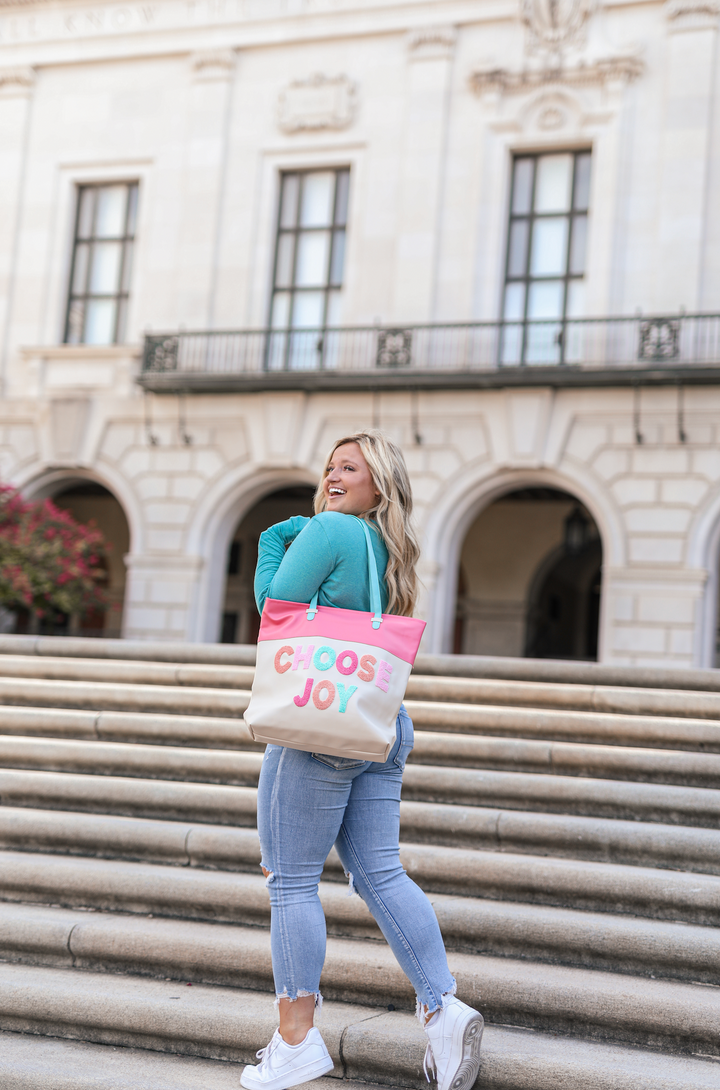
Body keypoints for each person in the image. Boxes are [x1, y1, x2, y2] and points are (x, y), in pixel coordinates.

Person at [240, 431, 484, 1090]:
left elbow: (275, 613)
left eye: (349, 466)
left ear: (378, 481)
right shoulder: (390, 548)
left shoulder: (329, 530)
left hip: (316, 725)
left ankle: (296, 1040)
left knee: (290, 881)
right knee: (379, 870)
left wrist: (271, 542)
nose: (333, 475)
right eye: (329, 466)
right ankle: (443, 1008)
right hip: (377, 722)